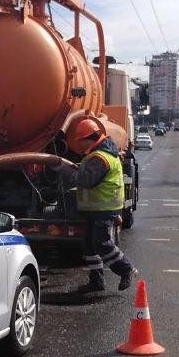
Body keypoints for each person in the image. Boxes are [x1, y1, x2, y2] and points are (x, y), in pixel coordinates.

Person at [65, 118, 136, 293]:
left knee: (102, 243)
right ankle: (96, 281)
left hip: (103, 209)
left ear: (89, 138)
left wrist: (66, 173)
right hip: (95, 209)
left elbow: (86, 180)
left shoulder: (100, 158)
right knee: (89, 246)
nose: (79, 145)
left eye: (81, 140)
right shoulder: (99, 154)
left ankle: (126, 269)